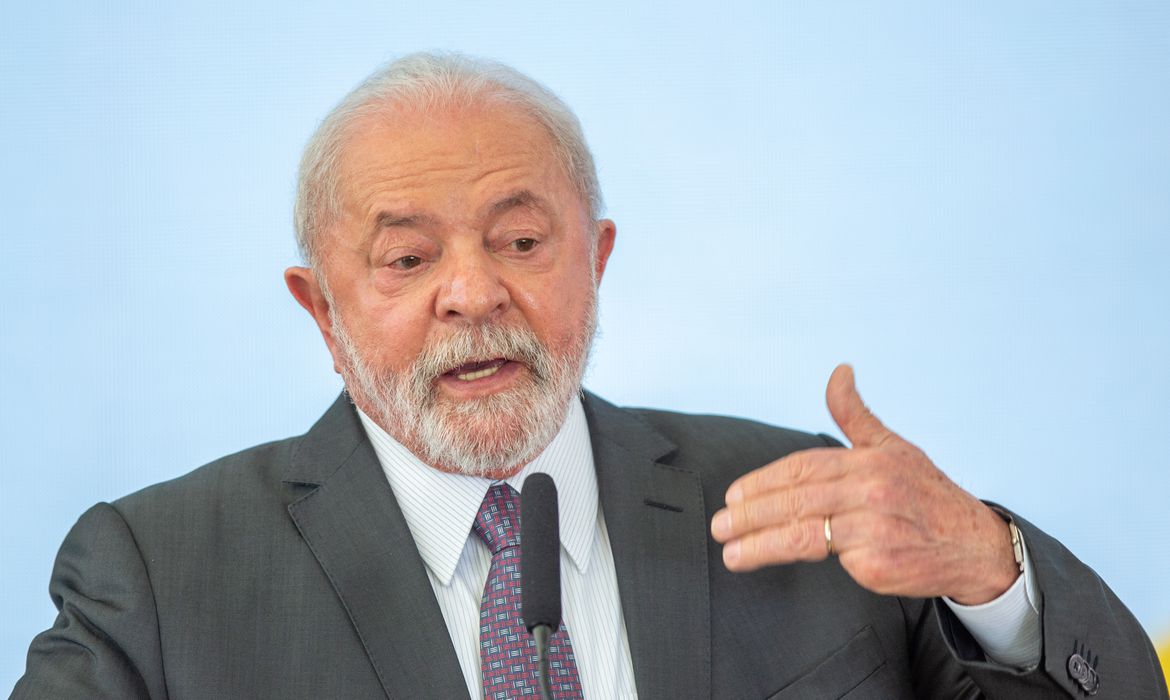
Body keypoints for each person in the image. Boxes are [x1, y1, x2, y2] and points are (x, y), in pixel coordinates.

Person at [13, 52, 1166, 699]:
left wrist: (986, 567)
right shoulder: (157, 576)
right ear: (321, 307)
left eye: (521, 241)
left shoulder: (810, 511)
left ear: (597, 259)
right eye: (408, 259)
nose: (474, 292)